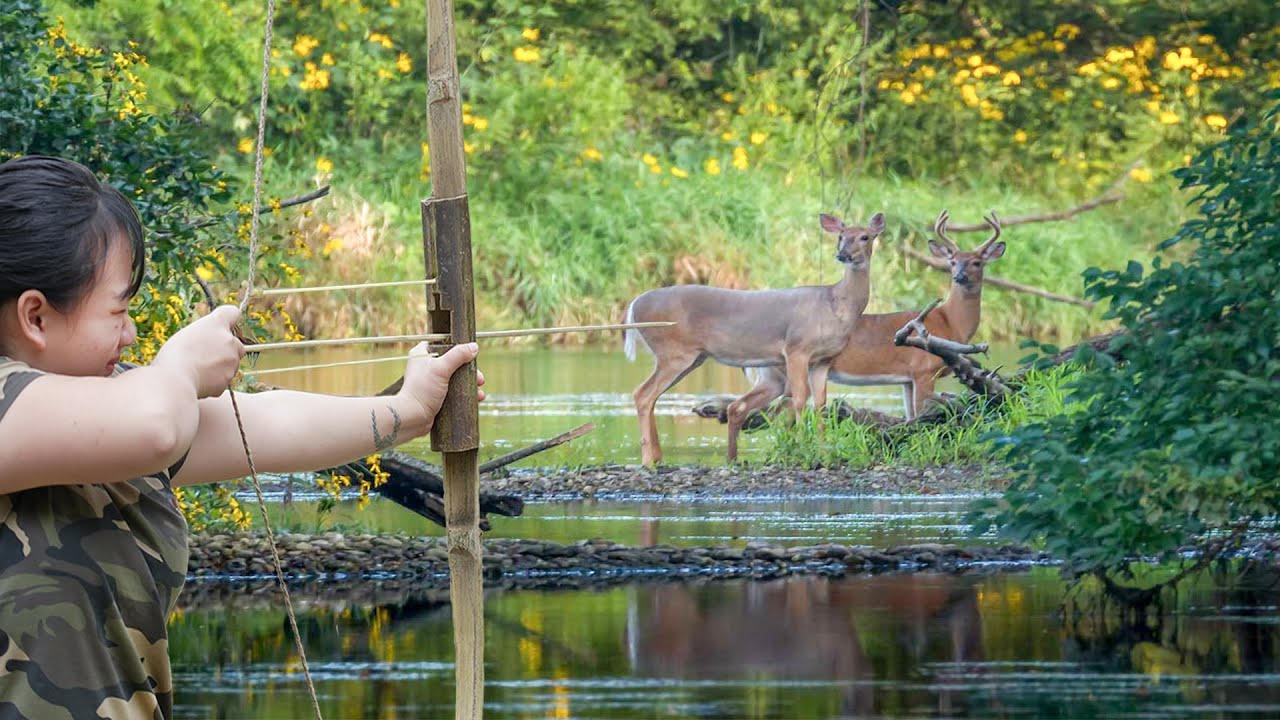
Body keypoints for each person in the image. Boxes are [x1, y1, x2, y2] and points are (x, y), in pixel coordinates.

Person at [0, 154, 484, 719]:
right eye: (118, 311)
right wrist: (180, 366)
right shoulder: (115, 409)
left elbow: (260, 422)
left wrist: (407, 410)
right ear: (36, 316)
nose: (131, 334)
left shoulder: (120, 403)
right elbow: (158, 425)